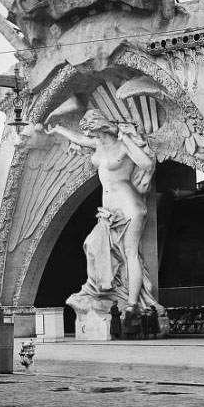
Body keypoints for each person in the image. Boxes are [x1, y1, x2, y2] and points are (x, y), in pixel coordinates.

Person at [45, 109, 159, 315]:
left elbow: (147, 163)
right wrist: (59, 129)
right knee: (92, 244)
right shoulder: (97, 145)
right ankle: (110, 291)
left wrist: (126, 137)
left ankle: (133, 305)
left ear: (101, 127)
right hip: (108, 208)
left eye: (93, 131)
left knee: (131, 253)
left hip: (128, 205)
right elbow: (79, 139)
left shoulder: (123, 145)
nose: (91, 136)